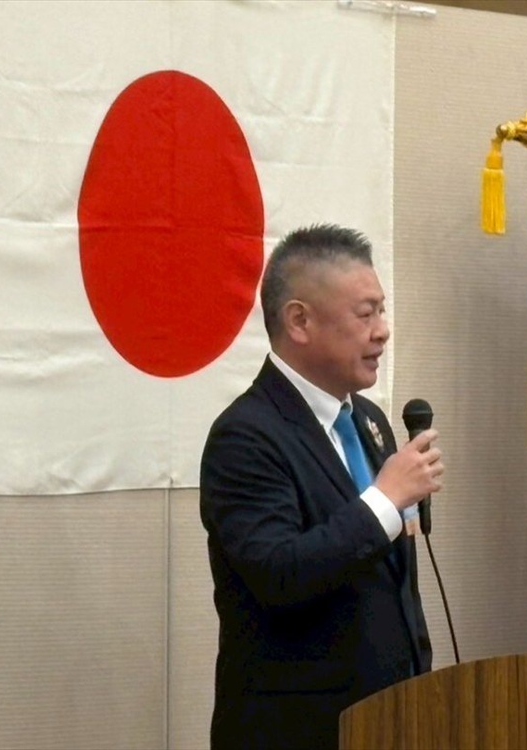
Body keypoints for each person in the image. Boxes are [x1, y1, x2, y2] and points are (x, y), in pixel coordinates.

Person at [200, 224, 443, 750]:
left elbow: (392, 589)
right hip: (298, 731)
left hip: (394, 721)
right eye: (366, 314)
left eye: (382, 311)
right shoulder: (245, 436)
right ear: (300, 321)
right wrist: (384, 500)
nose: (383, 331)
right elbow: (279, 574)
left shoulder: (370, 422)